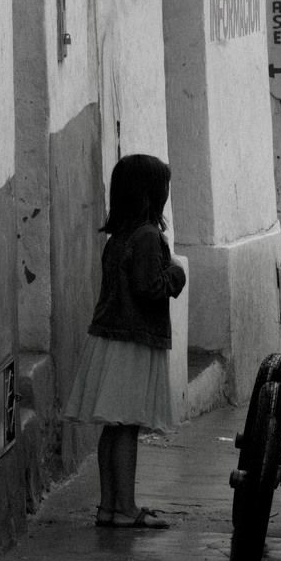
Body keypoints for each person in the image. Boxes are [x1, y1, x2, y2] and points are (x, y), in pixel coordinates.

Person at [64, 154, 187, 529]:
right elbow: (149, 287)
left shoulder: (119, 236)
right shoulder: (149, 237)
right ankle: (127, 508)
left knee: (113, 428)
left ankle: (108, 506)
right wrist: (176, 276)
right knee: (127, 426)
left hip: (109, 338)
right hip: (133, 342)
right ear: (151, 194)